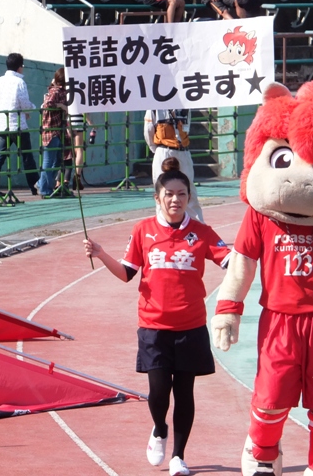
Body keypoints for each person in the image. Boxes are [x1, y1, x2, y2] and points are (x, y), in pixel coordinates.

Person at [83, 157, 230, 475]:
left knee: (185, 393)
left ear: (189, 197)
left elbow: (231, 262)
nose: (176, 199)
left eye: (182, 194)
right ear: (157, 197)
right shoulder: (143, 230)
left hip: (191, 326)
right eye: (169, 194)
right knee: (159, 391)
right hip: (153, 326)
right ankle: (160, 429)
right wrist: (101, 253)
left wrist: (255, 250)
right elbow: (127, 273)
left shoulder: (202, 232)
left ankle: (178, 456)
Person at [144, 108, 204, 223]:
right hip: (163, 150)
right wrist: (158, 150)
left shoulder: (186, 106)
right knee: (162, 189)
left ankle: (197, 225)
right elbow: (148, 131)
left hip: (183, 151)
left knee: (189, 189)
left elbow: (187, 127)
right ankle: (163, 224)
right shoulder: (154, 108)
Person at [0, 53, 40, 196]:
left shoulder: (0, 81)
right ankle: (35, 187)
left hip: (2, 125)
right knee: (27, 157)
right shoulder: (19, 82)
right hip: (18, 126)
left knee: (0, 157)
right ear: (19, 67)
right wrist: (31, 109)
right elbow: (24, 103)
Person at [37, 67, 71, 198]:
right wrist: (61, 106)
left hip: (55, 131)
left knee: (57, 160)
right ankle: (44, 188)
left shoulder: (57, 90)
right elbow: (48, 104)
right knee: (49, 161)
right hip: (51, 130)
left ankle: (42, 184)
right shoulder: (56, 91)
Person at [70, 113, 93, 190]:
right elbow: (82, 109)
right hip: (78, 120)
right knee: (79, 149)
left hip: (69, 119)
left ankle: (76, 177)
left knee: (74, 148)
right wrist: (90, 121)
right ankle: (77, 176)